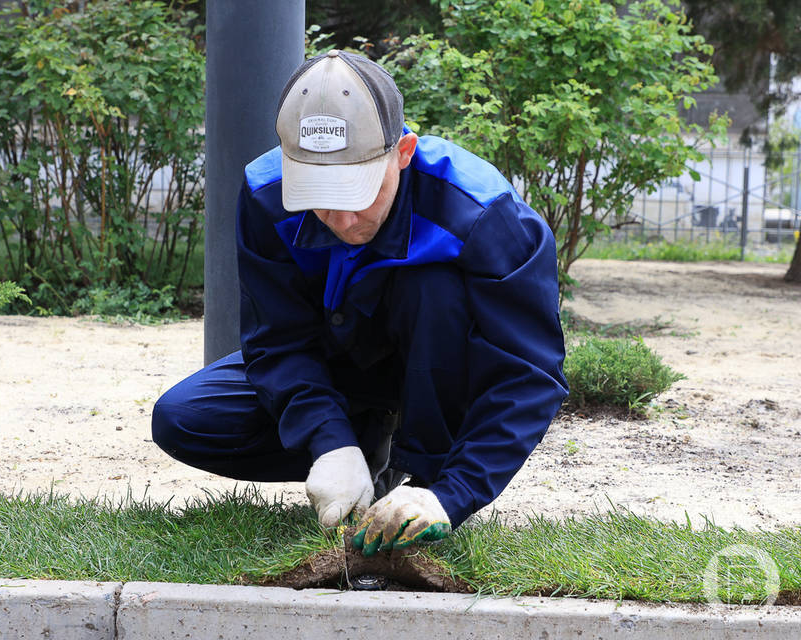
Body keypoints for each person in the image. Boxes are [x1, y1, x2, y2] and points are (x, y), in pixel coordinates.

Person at [152, 50, 568, 556]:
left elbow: (529, 376)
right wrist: (329, 441)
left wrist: (453, 495)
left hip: (440, 370)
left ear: (403, 152)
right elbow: (277, 341)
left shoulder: (483, 213)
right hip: (344, 365)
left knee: (431, 289)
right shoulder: (266, 195)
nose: (343, 222)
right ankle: (367, 449)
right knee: (184, 418)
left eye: (359, 193)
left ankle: (420, 483)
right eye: (321, 197)